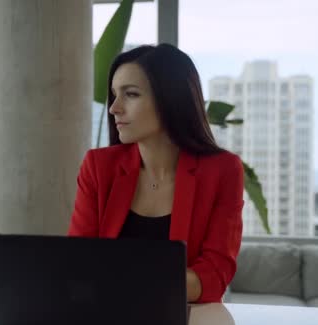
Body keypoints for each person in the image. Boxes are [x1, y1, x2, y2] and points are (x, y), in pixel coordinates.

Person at [67, 44, 244, 303]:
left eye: (131, 94)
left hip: (186, 324)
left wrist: (126, 284)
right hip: (104, 319)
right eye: (115, 95)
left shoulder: (223, 170)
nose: (114, 107)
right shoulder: (98, 167)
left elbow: (215, 274)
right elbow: (77, 260)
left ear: (170, 98)